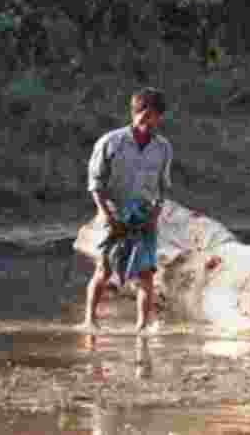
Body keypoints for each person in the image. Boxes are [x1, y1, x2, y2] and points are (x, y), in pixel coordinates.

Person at [81, 88, 173, 332]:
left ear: (158, 117)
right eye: (141, 112)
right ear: (134, 112)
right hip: (113, 211)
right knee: (104, 268)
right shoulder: (111, 142)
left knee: (146, 274)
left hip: (143, 215)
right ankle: (90, 320)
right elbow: (95, 184)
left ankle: (142, 326)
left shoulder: (163, 148)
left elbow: (163, 187)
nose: (145, 117)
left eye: (151, 114)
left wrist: (155, 214)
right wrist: (108, 217)